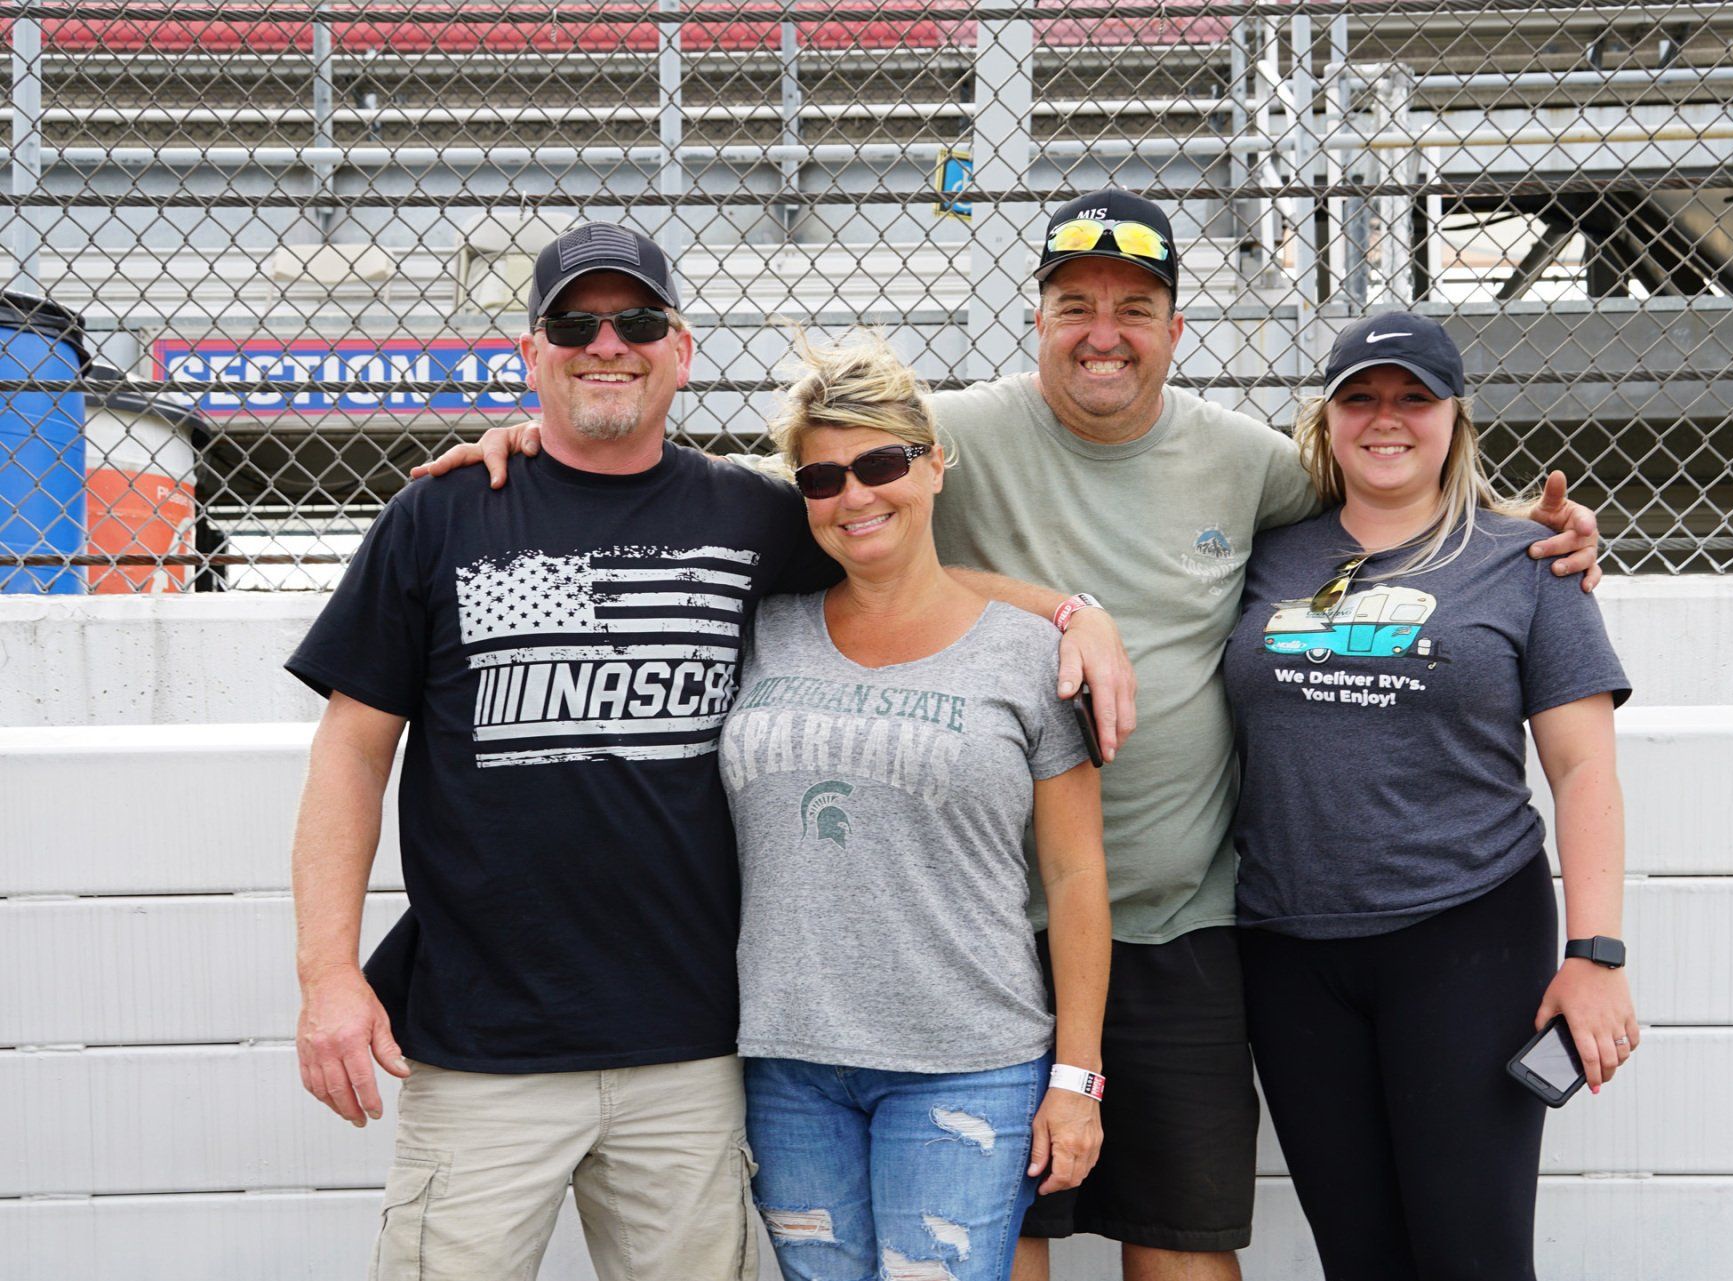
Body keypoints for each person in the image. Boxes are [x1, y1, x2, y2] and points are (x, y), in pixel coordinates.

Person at [415, 189, 1604, 1281]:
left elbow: (1385, 500)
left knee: (1182, 1245)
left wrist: (1526, 537)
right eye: (1075, 305)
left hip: (1179, 921)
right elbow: (814, 492)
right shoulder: (944, 435)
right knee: (999, 1247)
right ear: (1035, 319)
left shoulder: (1247, 464)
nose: (1103, 334)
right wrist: (535, 450)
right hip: (986, 938)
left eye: (1134, 309)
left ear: (1176, 329)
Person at [285, 221, 844, 1280]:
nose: (607, 344)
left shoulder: (758, 518)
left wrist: (1067, 611)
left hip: (692, 1043)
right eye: (574, 325)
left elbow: (911, 564)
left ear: (682, 349)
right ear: (531, 353)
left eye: (637, 320)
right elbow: (351, 753)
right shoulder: (439, 514)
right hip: (481, 1048)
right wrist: (328, 976)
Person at [1227, 312, 1636, 1280]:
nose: (1387, 418)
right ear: (1326, 419)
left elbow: (1584, 769)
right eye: (1361, 398)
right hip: (1289, 948)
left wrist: (1596, 955)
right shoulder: (1264, 553)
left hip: (1466, 937)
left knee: (1471, 1255)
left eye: (1415, 397)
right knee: (1359, 1257)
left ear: (1456, 418)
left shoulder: (1528, 562)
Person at [720, 330, 1111, 1280]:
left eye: (881, 464)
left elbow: (1075, 874)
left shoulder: (1027, 653)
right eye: (822, 479)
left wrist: (1078, 1078)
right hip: (786, 1061)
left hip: (967, 1058)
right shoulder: (762, 628)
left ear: (935, 465)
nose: (855, 495)